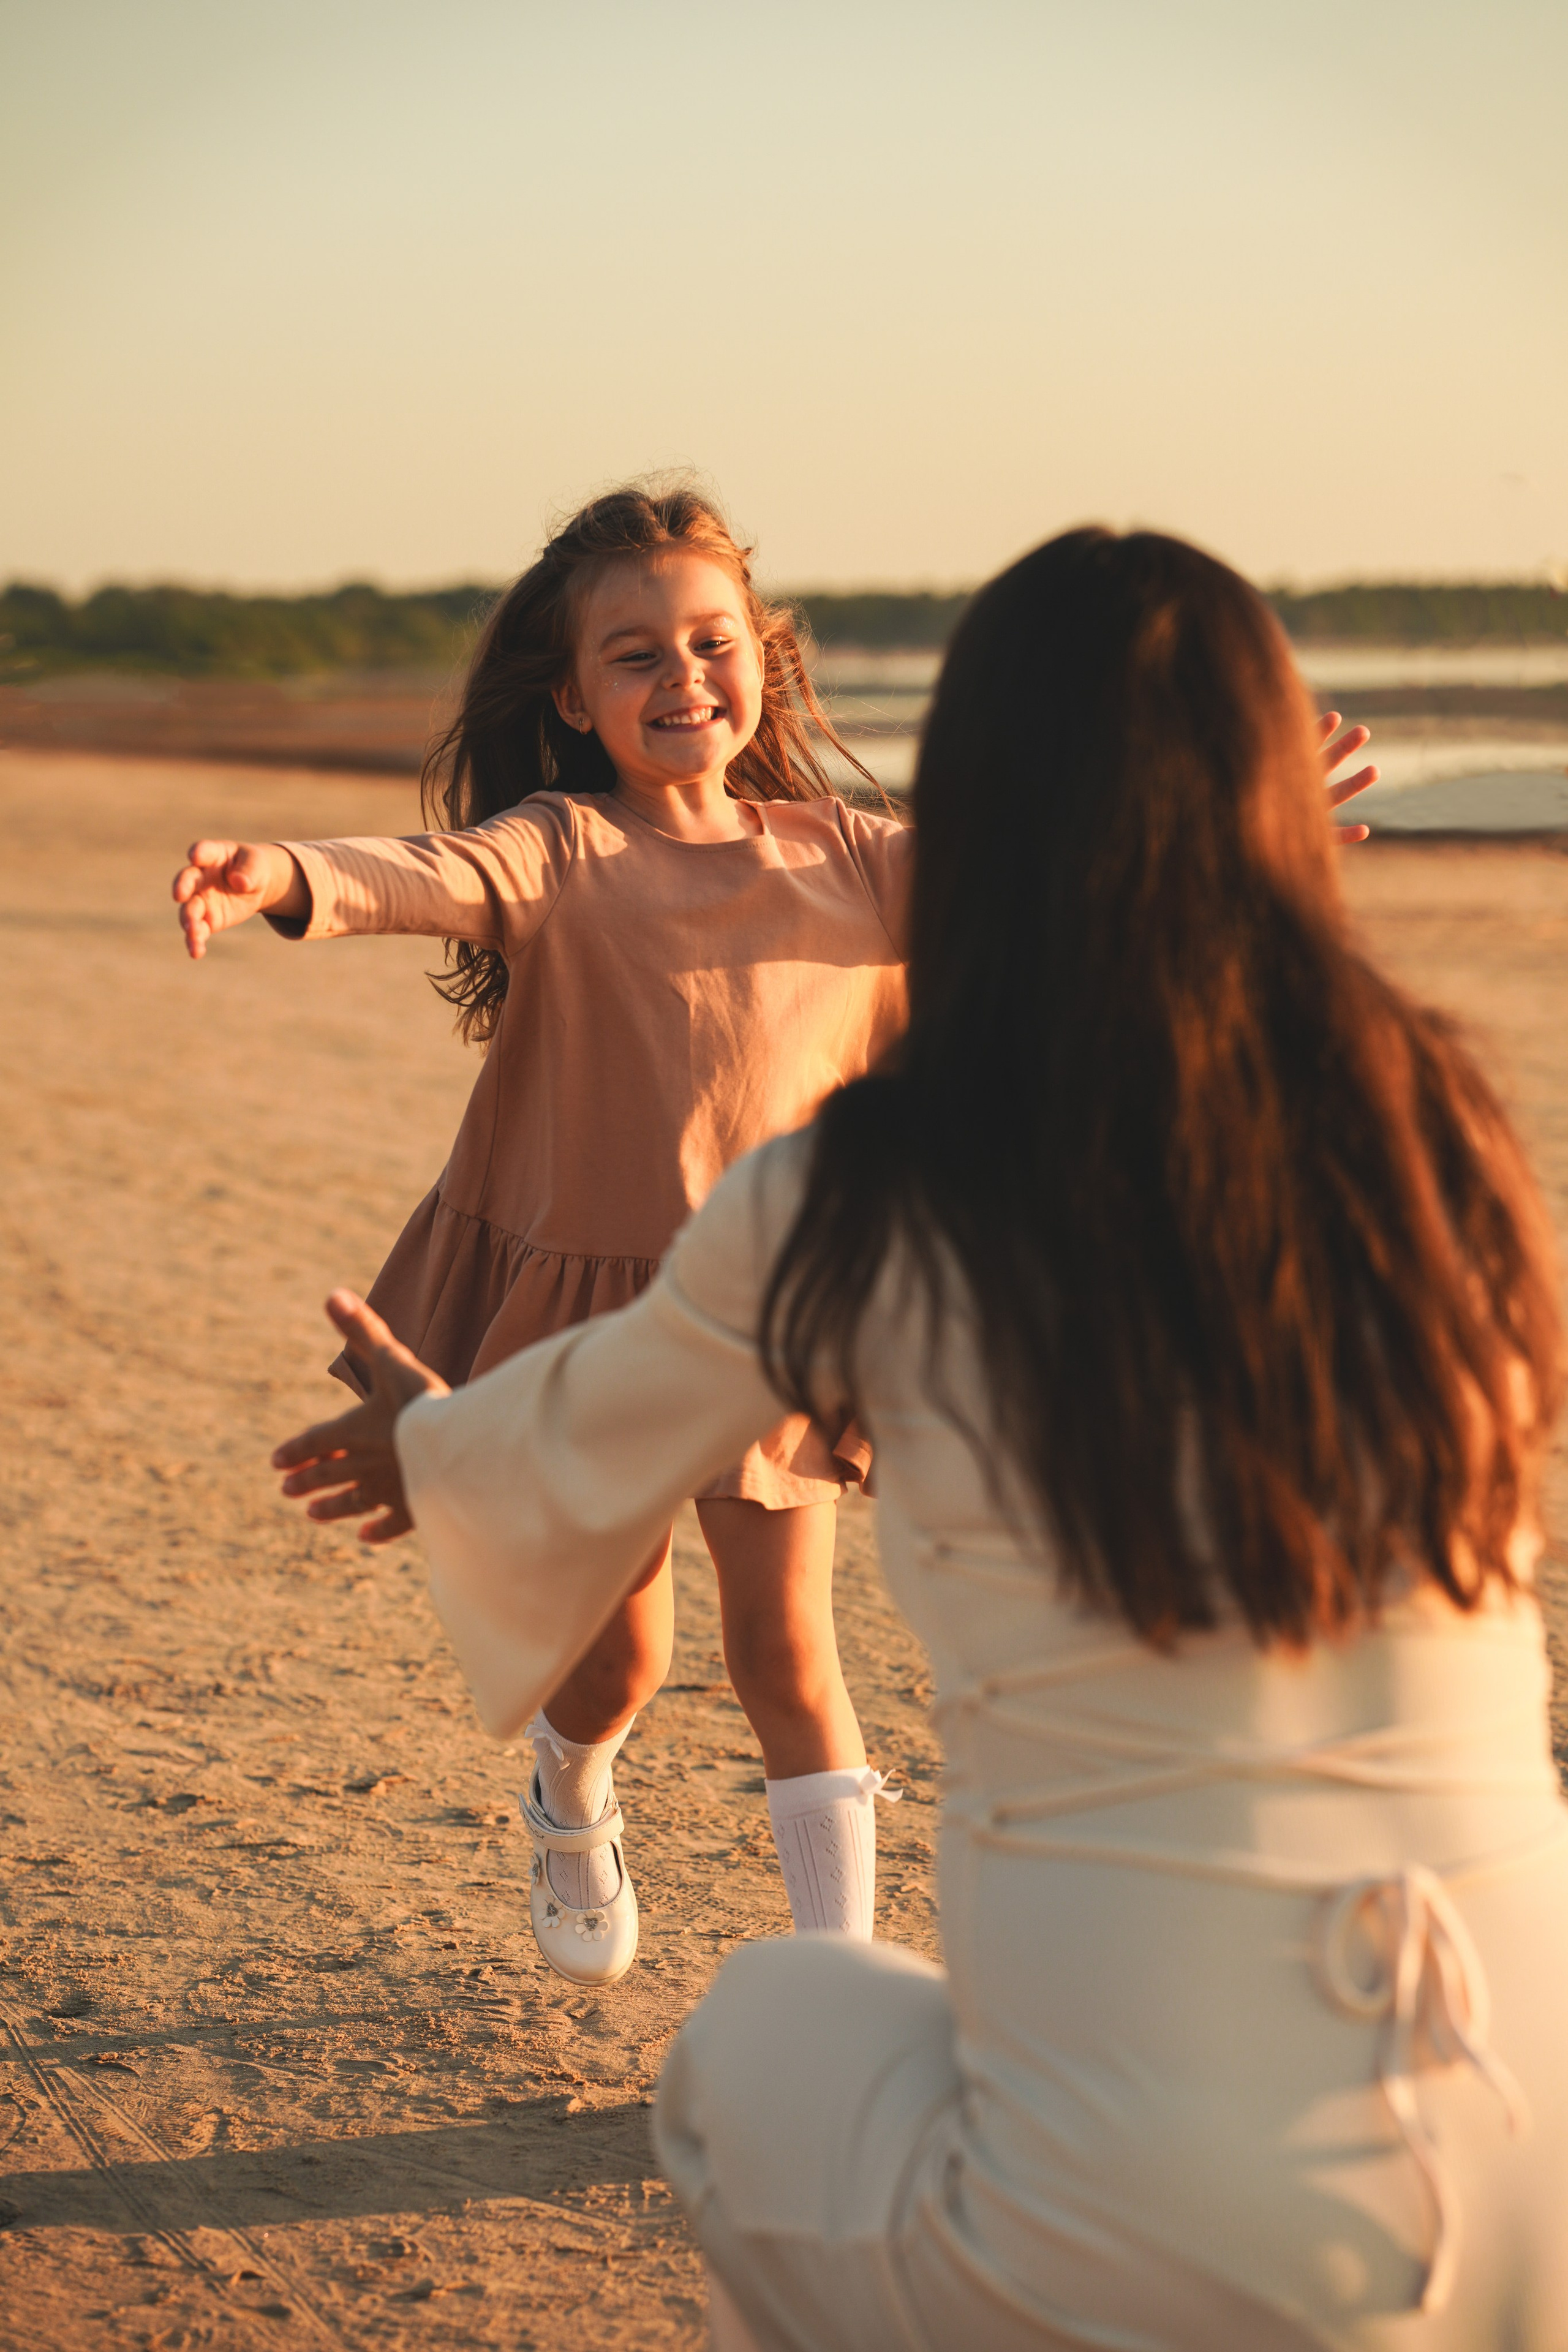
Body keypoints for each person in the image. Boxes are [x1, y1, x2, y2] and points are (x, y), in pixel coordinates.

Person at [272, 524, 1568, 2348]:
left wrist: (437, 1447)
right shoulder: (1440, 1143)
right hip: (1539, 2152)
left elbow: (581, 1431)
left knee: (755, 2048)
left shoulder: (869, 1197)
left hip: (1159, 2205)